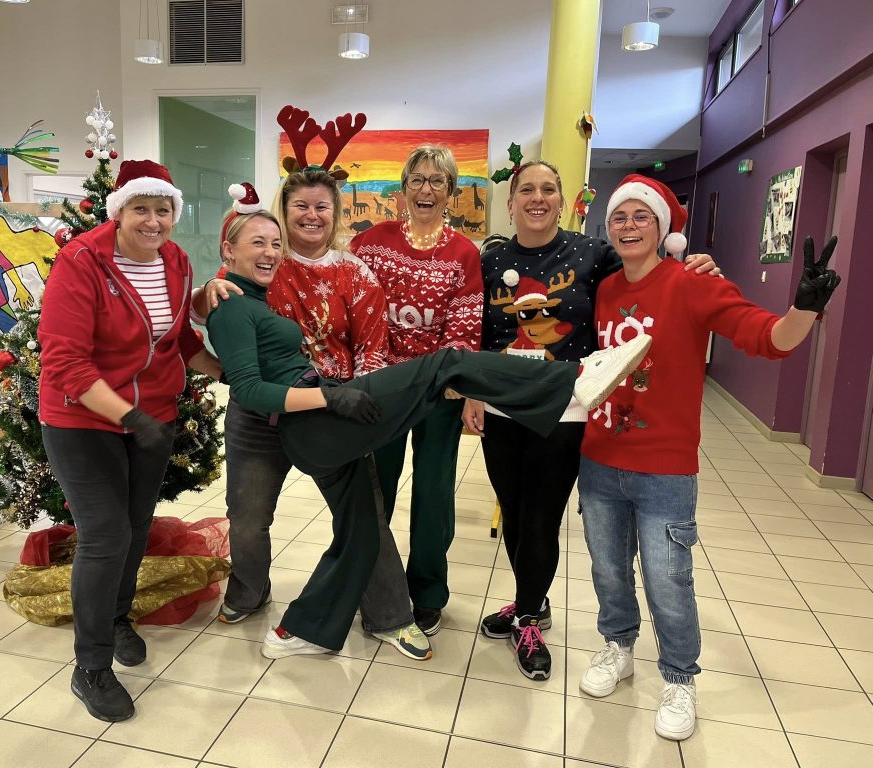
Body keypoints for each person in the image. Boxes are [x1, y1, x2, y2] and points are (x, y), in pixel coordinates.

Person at [205, 203, 654, 660]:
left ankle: (300, 630)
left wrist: (210, 288)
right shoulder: (231, 307)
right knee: (447, 364)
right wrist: (328, 398)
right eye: (257, 243)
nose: (270, 251)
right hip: (317, 419)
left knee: (363, 532)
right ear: (229, 250)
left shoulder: (249, 295)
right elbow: (249, 390)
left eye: (274, 243)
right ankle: (574, 379)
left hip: (322, 413)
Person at [577, 174, 840, 741]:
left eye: (641, 216)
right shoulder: (606, 289)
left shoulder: (692, 284)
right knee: (607, 569)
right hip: (599, 456)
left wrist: (805, 308)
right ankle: (618, 647)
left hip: (665, 468)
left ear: (662, 228)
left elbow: (768, 338)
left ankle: (679, 678)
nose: (628, 226)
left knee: (669, 580)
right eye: (619, 216)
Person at [462, 160, 719, 682]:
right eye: (527, 190)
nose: (538, 198)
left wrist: (690, 264)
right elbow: (478, 330)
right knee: (514, 513)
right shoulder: (491, 260)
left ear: (563, 201)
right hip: (501, 407)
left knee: (541, 518)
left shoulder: (593, 254)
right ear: (511, 202)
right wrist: (470, 391)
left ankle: (528, 620)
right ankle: (531, 599)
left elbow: (646, 273)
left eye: (548, 189)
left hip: (565, 410)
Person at [194, 171, 433, 661]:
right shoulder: (261, 260)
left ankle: (390, 614)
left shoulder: (354, 274)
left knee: (364, 515)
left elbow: (372, 350)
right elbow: (204, 313)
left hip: (331, 413)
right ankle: (249, 591)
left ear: (335, 213)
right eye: (300, 205)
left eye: (321, 206)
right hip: (258, 415)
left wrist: (355, 408)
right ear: (284, 210)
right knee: (247, 515)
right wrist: (206, 291)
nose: (311, 216)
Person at [38, 160, 222, 723]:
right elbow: (65, 361)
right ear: (118, 212)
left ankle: (118, 618)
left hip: (151, 416)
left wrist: (227, 371)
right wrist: (129, 416)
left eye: (163, 209)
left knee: (136, 525)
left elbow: (179, 338)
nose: (153, 221)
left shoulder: (176, 261)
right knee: (105, 535)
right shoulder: (81, 262)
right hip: (81, 419)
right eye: (141, 208)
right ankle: (90, 667)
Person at [350, 145, 483, 636]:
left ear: (450, 191)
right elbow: (354, 312)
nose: (426, 189)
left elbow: (465, 326)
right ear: (403, 188)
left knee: (433, 495)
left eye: (437, 180)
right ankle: (374, 587)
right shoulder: (370, 244)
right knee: (374, 492)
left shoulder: (464, 253)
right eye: (418, 180)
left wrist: (447, 383)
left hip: (436, 395)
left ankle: (427, 592)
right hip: (381, 392)